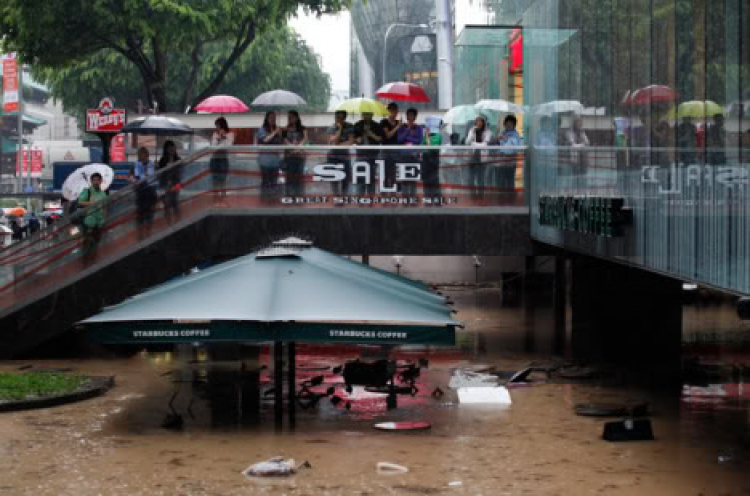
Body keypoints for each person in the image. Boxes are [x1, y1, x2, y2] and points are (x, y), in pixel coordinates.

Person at [78, 172, 107, 262]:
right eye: (94, 180)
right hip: (89, 220)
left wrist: (104, 219)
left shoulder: (103, 194)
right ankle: (85, 259)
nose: (96, 182)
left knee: (96, 241)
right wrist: (90, 203)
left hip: (99, 221)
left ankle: (93, 259)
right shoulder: (87, 191)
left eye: (98, 180)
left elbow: (105, 207)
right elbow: (80, 202)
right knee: (87, 241)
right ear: (91, 181)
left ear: (101, 181)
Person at [129, 146, 157, 239]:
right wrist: (134, 180)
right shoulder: (135, 165)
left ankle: (149, 232)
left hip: (150, 192)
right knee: (140, 214)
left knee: (150, 213)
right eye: (140, 155)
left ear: (147, 155)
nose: (142, 157)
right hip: (140, 192)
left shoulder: (153, 164)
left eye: (144, 155)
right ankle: (140, 234)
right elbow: (130, 176)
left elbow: (158, 176)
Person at [353, 111, 384, 195]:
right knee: (360, 178)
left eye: (368, 114)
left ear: (372, 115)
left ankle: (371, 199)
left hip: (373, 155)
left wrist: (370, 134)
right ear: (362, 115)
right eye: (365, 114)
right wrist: (357, 139)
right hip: (360, 155)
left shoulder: (377, 126)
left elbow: (380, 139)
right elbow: (352, 139)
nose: (366, 116)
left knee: (371, 178)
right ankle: (360, 199)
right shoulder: (357, 125)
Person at [326, 110, 356, 196]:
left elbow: (351, 141)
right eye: (337, 117)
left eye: (341, 118)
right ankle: (336, 196)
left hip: (345, 156)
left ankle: (344, 196)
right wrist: (340, 129)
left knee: (346, 178)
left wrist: (338, 145)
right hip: (333, 156)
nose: (338, 119)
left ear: (344, 118)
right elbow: (333, 142)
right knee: (333, 178)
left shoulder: (350, 126)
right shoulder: (331, 127)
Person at [396, 107, 424, 197]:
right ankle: (405, 198)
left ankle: (412, 198)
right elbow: (399, 140)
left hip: (414, 157)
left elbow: (419, 141)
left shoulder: (418, 128)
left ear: (415, 117)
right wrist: (408, 130)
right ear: (406, 116)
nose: (410, 117)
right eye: (409, 115)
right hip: (403, 157)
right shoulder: (402, 127)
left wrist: (407, 138)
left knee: (413, 179)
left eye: (412, 115)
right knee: (404, 179)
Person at [464, 115, 492, 200]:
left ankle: (480, 197)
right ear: (475, 122)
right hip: (471, 157)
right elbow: (467, 142)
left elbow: (485, 145)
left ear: (484, 122)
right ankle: (473, 197)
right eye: (477, 121)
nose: (479, 123)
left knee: (481, 179)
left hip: (482, 158)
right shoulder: (472, 130)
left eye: (481, 121)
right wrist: (472, 133)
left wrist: (474, 144)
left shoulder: (488, 132)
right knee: (470, 179)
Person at [256, 111, 283, 199]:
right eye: (271, 117)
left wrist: (280, 135)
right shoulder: (262, 129)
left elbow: (281, 143)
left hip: (275, 160)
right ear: (267, 118)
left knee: (274, 182)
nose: (273, 119)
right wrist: (275, 132)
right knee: (265, 181)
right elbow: (265, 140)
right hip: (265, 161)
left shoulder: (277, 129)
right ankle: (264, 200)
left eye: (274, 117)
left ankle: (273, 200)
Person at [283, 110, 308, 197]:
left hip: (300, 156)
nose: (289, 119)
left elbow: (305, 139)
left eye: (291, 117)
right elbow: (284, 140)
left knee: (299, 177)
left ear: (296, 118)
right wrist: (292, 147)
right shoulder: (285, 129)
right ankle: (289, 196)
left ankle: (299, 196)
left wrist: (298, 147)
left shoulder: (303, 128)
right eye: (288, 117)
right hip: (289, 156)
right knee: (289, 177)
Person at [379, 102, 403, 190]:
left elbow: (401, 137)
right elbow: (388, 135)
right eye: (392, 110)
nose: (394, 112)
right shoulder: (383, 122)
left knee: (394, 174)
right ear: (388, 111)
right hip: (386, 152)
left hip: (396, 153)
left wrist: (400, 126)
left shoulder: (398, 122)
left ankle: (394, 194)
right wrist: (397, 127)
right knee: (385, 174)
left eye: (395, 110)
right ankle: (384, 195)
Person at [210, 117, 234, 203]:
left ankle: (223, 199)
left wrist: (224, 137)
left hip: (223, 159)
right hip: (215, 159)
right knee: (215, 180)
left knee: (223, 180)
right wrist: (219, 138)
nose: (216, 128)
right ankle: (215, 199)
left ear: (222, 125)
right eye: (216, 126)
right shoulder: (215, 134)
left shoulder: (230, 134)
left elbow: (229, 146)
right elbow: (213, 147)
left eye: (217, 125)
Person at [158, 140, 182, 224]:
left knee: (175, 203)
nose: (171, 149)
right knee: (167, 204)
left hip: (176, 184)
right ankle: (169, 223)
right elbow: (160, 173)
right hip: (165, 185)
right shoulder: (162, 160)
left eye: (173, 146)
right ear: (166, 149)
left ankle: (177, 222)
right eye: (169, 147)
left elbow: (180, 171)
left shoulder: (178, 159)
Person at [422, 117, 443, 198]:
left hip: (433, 159)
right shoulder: (425, 136)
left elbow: (431, 147)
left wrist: (427, 138)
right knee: (426, 180)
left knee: (434, 180)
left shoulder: (438, 136)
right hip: (426, 159)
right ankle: (427, 198)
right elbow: (422, 146)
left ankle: (437, 198)